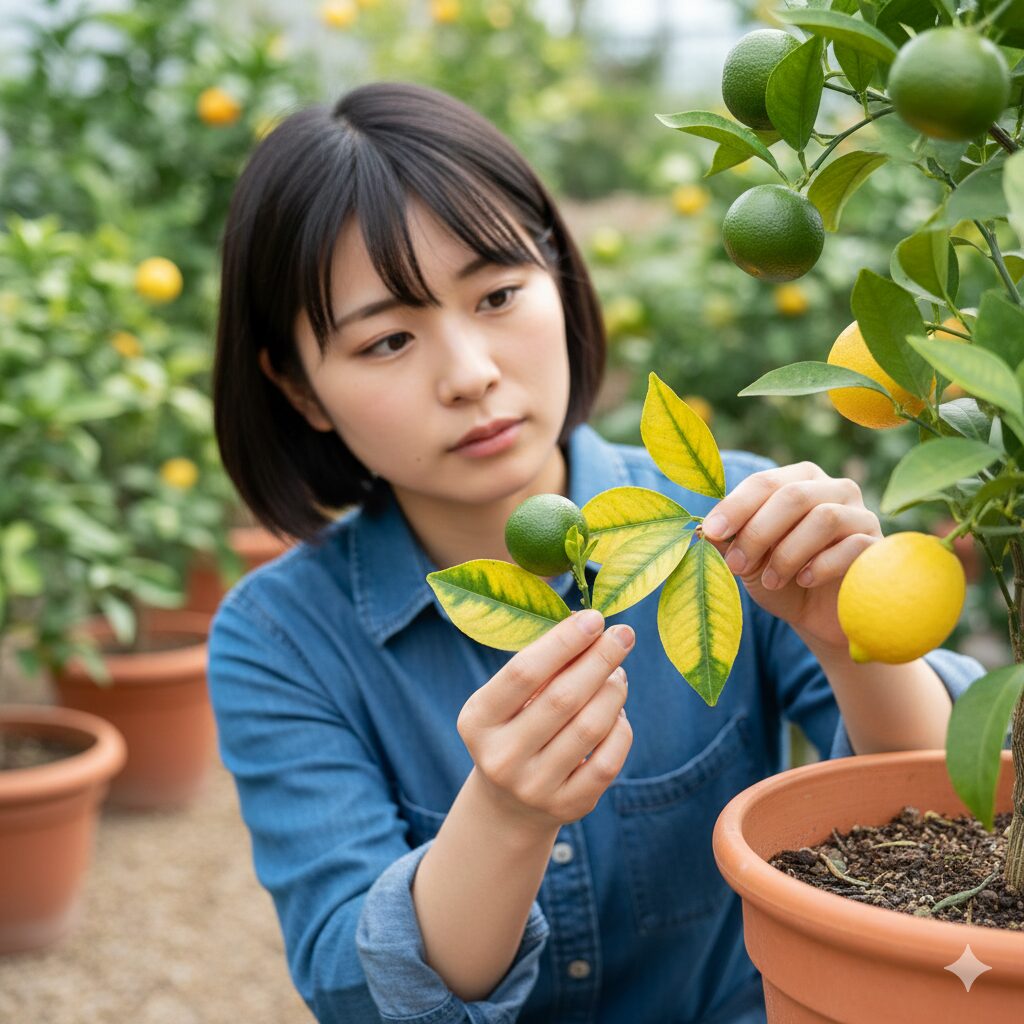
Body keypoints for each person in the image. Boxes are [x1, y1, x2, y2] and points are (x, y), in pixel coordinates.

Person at [206, 81, 985, 1024]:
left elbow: (950, 825)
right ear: (299, 389)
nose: (471, 374)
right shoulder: (279, 639)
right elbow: (355, 988)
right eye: (388, 340)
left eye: (497, 294)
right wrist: (505, 814)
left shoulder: (728, 523)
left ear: (559, 277)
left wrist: (852, 637)